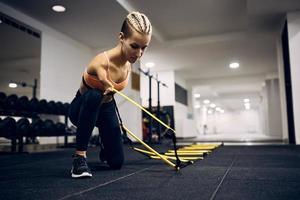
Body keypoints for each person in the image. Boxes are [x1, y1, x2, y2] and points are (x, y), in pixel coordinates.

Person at [68, 11, 152, 178]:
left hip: (105, 109)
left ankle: (105, 146)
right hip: (81, 109)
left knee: (116, 163)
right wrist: (105, 82)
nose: (139, 53)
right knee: (95, 95)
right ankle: (79, 158)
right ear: (121, 37)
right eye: (134, 46)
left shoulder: (129, 65)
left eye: (144, 47)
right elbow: (102, 79)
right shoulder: (101, 61)